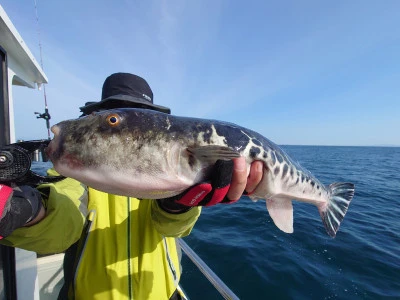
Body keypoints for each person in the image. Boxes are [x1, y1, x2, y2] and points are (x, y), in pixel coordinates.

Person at [0, 73, 263, 299]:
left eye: (140, 115)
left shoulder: (175, 172)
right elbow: (62, 225)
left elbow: (173, 229)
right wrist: (26, 210)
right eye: (111, 117)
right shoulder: (75, 176)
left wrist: (178, 205)